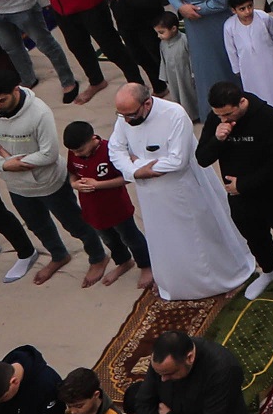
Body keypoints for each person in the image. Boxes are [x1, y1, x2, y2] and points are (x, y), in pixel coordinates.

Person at [104, 84, 260, 301]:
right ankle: (176, 283)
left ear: (147, 103)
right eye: (122, 115)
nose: (126, 120)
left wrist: (140, 165)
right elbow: (116, 148)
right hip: (150, 194)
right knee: (164, 238)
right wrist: (135, 171)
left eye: (130, 115)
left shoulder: (174, 114)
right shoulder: (126, 118)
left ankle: (224, 278)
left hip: (182, 190)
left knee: (199, 236)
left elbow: (178, 160)